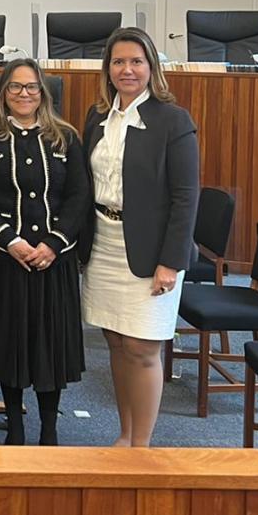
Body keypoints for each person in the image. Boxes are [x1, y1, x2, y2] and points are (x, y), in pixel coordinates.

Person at [80, 27, 199, 448]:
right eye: (118, 62)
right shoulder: (97, 116)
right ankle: (126, 435)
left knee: (143, 348)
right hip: (104, 243)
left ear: (151, 67)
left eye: (136, 61)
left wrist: (171, 262)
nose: (126, 70)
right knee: (116, 342)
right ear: (107, 68)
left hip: (152, 251)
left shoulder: (172, 120)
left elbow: (186, 197)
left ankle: (142, 448)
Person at [0, 58, 90, 445]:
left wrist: (54, 243)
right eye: (16, 87)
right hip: (4, 259)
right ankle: (15, 426)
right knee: (10, 345)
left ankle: (49, 430)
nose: (24, 94)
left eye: (32, 86)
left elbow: (79, 196)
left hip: (54, 260)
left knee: (49, 347)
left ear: (44, 93)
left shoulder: (65, 137)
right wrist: (11, 240)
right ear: (2, 93)